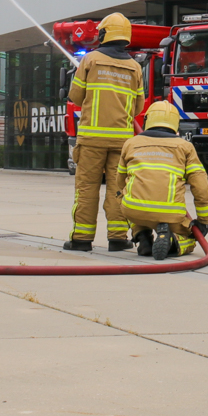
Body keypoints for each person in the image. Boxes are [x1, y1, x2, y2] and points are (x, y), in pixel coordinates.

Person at [64, 13, 142, 252]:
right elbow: (138, 107)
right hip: (122, 141)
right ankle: (118, 238)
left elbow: (75, 97)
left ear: (104, 33)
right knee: (118, 189)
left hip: (91, 141)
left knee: (87, 188)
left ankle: (82, 239)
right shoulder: (135, 67)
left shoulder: (90, 60)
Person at [117, 100, 208, 261]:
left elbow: (119, 182)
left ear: (147, 121)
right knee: (190, 238)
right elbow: (201, 188)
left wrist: (123, 200)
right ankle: (174, 242)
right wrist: (204, 221)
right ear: (176, 124)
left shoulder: (130, 143)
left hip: (134, 211)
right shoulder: (185, 147)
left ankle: (142, 236)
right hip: (171, 215)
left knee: (128, 197)